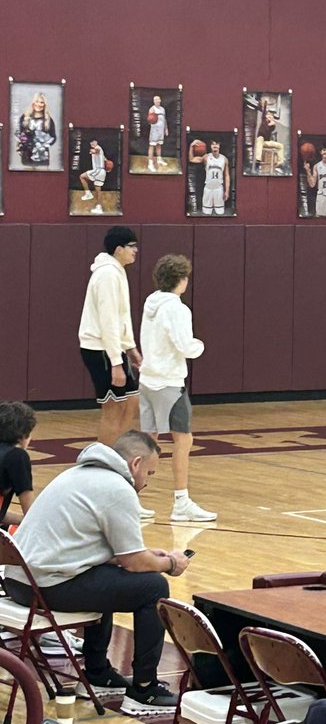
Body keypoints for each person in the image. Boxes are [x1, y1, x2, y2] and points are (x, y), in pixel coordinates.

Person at [3, 431, 190, 715]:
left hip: (19, 582)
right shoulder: (117, 488)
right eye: (149, 473)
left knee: (105, 575)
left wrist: (148, 555)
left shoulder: (76, 474)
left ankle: (98, 673)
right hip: (47, 586)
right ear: (135, 463)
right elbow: (134, 564)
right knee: (153, 586)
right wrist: (171, 563)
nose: (147, 482)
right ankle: (144, 690)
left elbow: (108, 553)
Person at [138, 254, 216, 523]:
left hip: (147, 380)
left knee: (147, 441)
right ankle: (181, 501)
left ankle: (129, 500)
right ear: (181, 279)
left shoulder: (151, 303)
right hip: (169, 382)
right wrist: (200, 346)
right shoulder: (177, 309)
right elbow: (184, 345)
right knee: (183, 439)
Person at [78, 226, 146, 470]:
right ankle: (103, 467)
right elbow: (108, 320)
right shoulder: (107, 275)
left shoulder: (117, 272)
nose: (136, 251)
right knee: (113, 408)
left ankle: (118, 458)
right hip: (101, 350)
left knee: (131, 402)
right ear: (119, 249)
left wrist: (130, 348)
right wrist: (116, 363)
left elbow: (121, 317)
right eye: (132, 247)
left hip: (113, 349)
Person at [0, 401, 37, 527]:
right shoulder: (17, 456)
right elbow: (31, 514)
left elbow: (1, 514)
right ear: (24, 435)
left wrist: (21, 521)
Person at [15, 90, 57, 167]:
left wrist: (43, 145)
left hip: (42, 157)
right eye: (37, 101)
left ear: (45, 105)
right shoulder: (24, 118)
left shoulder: (49, 120)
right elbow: (18, 133)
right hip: (26, 156)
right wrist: (24, 141)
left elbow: (53, 137)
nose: (39, 104)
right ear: (33, 103)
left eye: (42, 102)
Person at [195, 139, 229, 215]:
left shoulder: (224, 159)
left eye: (217, 144)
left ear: (219, 146)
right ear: (210, 146)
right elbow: (191, 159)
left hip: (218, 189)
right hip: (208, 188)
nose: (215, 145)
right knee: (206, 213)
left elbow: (227, 176)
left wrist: (227, 191)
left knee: (220, 213)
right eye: (213, 144)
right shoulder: (206, 157)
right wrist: (191, 146)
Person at [78, 138, 109, 215]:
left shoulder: (98, 148)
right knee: (98, 190)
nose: (92, 143)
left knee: (82, 176)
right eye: (91, 142)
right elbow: (106, 160)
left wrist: (94, 151)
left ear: (96, 142)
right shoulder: (101, 150)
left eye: (93, 142)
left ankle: (88, 193)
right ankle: (99, 207)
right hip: (102, 172)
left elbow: (97, 150)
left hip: (97, 170)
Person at [146, 95, 169, 173]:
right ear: (153, 101)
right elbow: (149, 119)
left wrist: (166, 128)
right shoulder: (152, 109)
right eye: (156, 99)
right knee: (152, 145)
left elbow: (164, 119)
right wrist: (152, 120)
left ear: (160, 100)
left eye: (158, 99)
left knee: (159, 145)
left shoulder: (162, 109)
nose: (157, 100)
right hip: (154, 130)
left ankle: (159, 159)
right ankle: (150, 163)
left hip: (161, 130)